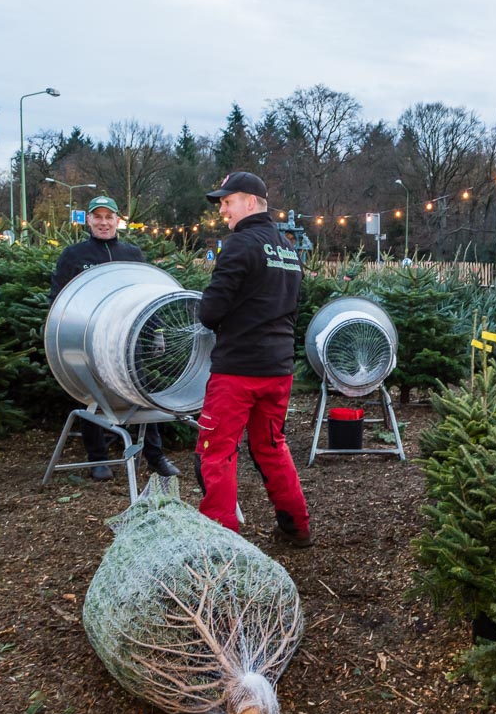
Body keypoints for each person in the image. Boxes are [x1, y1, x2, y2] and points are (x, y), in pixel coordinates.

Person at [195, 172, 311, 547]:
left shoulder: (239, 244)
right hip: (278, 370)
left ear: (249, 201)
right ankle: (296, 527)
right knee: (271, 446)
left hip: (237, 371)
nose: (223, 210)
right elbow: (292, 306)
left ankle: (222, 544)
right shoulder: (288, 249)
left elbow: (211, 311)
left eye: (227, 202)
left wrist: (212, 313)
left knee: (217, 453)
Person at [48, 195, 180, 482]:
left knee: (142, 392)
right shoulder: (74, 256)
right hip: (88, 339)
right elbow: (58, 298)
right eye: (98, 217)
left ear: (118, 220)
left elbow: (148, 296)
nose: (104, 223)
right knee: (94, 396)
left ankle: (155, 457)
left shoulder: (132, 254)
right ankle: (98, 459)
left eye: (109, 217)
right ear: (89, 220)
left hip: (128, 340)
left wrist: (157, 331)